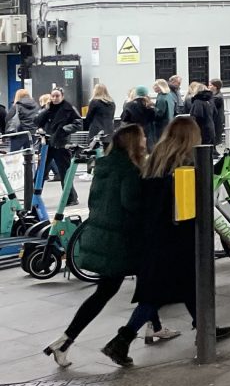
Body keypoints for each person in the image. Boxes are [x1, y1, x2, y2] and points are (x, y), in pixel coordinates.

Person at [101, 116, 230, 366]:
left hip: (154, 237)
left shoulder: (156, 159)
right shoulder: (185, 163)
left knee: (185, 287)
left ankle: (206, 327)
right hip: (176, 238)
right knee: (158, 295)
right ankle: (121, 340)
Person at [44, 126, 176, 368]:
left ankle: (154, 327)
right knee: (120, 290)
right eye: (143, 137)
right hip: (121, 242)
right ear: (134, 142)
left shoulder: (103, 166)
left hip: (102, 237)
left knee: (147, 282)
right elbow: (131, 204)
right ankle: (63, 341)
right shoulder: (128, 169)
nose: (146, 140)